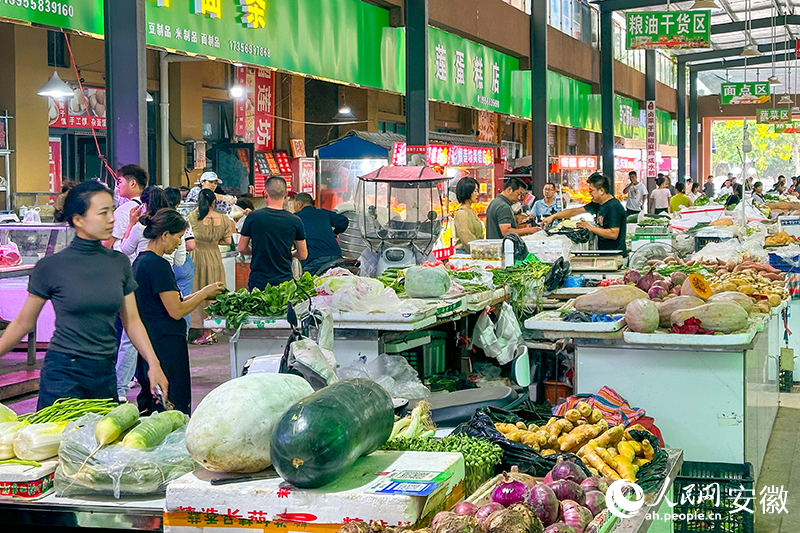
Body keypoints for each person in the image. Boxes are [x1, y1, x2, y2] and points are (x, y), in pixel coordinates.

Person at [0, 181, 169, 409]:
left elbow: (133, 322)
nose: (111, 219)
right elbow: (22, 323)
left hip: (104, 374)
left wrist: (154, 363)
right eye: (103, 213)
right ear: (78, 220)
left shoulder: (119, 263)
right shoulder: (51, 266)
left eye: (111, 210)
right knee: (58, 442)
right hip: (63, 374)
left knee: (97, 443)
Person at [133, 209, 224, 415]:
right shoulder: (158, 266)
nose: (179, 244)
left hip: (152, 340)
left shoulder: (141, 262)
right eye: (179, 237)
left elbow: (175, 301)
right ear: (165, 235)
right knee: (171, 405)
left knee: (152, 404)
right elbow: (176, 310)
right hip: (165, 345)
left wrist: (202, 292)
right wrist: (203, 295)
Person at [115, 186, 170, 402]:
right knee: (158, 333)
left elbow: (124, 251)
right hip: (165, 282)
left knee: (129, 338)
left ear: (144, 203)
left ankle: (120, 388)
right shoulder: (170, 223)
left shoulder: (141, 226)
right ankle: (157, 381)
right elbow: (181, 259)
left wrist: (130, 224)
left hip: (140, 281)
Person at [239, 176, 307, 290]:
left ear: (264, 193)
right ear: (286, 195)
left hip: (258, 281)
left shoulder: (253, 217)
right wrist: (288, 254)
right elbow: (303, 254)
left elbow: (241, 248)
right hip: (284, 283)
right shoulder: (295, 220)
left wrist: (257, 251)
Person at [188, 189, 232, 345]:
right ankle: (212, 332)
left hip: (197, 257)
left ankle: (202, 333)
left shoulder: (193, 217)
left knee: (198, 293)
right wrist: (213, 242)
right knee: (215, 293)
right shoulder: (224, 219)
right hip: (214, 256)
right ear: (215, 202)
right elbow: (227, 241)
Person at [541, 173, 627, 254]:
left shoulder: (613, 207)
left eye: (591, 191)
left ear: (601, 190)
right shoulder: (597, 204)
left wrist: (589, 227)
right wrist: (553, 217)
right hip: (605, 253)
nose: (590, 194)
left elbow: (613, 234)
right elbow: (575, 211)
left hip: (615, 254)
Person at [294, 192, 349, 274]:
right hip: (335, 257)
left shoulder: (295, 218)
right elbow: (343, 221)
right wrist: (335, 233)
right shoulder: (323, 213)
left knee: (306, 284)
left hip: (312, 262)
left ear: (299, 204)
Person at [164, 187, 196, 330]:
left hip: (163, 264)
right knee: (184, 303)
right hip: (181, 264)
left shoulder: (158, 218)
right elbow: (191, 244)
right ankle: (183, 335)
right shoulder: (181, 218)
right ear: (178, 202)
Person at [104, 164, 147, 250]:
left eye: (119, 182)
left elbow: (105, 244)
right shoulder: (147, 205)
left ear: (132, 183)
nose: (117, 186)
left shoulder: (124, 210)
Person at [452, 177, 485, 253]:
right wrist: (479, 251)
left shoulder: (471, 210)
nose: (478, 194)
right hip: (466, 252)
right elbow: (466, 237)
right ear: (467, 192)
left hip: (474, 250)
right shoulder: (462, 213)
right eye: (475, 191)